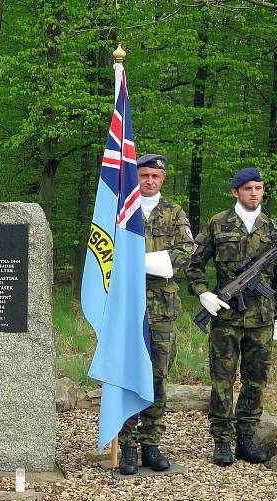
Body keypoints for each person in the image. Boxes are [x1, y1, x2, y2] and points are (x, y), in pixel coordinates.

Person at [186, 167, 277, 467]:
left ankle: (245, 438)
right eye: (247, 189)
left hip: (262, 320)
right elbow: (193, 263)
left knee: (256, 381)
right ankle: (222, 441)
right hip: (226, 319)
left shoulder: (273, 228)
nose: (254, 193)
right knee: (222, 381)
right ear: (235, 192)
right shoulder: (218, 224)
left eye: (258, 188)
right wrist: (203, 292)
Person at [117, 154, 194, 475]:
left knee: (158, 376)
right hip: (126, 307)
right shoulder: (123, 211)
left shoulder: (174, 213)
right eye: (144, 175)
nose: (149, 181)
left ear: (163, 179)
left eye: (155, 177)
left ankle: (151, 443)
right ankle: (127, 446)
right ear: (136, 176)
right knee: (126, 375)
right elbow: (106, 251)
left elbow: (187, 252)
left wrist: (142, 263)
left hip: (161, 309)